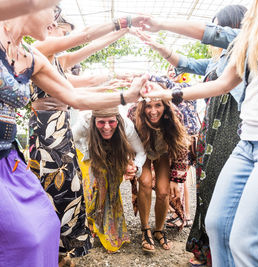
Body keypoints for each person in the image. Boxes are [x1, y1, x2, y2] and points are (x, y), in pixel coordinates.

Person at [0, 1, 147, 265]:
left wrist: (127, 96)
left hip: (2, 156)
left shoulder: (30, 56)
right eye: (53, 7)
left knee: (47, 223)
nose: (54, 18)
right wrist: (122, 24)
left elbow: (74, 97)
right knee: (23, 237)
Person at [142, 0, 258, 265]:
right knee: (218, 225)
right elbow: (222, 81)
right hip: (249, 140)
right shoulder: (252, 33)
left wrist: (162, 26)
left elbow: (213, 36)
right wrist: (166, 93)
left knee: (250, 243)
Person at [134, 5, 246, 265]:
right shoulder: (219, 60)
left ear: (235, 27)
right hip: (212, 129)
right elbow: (184, 63)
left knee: (224, 188)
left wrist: (161, 23)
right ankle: (206, 251)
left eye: (221, 27)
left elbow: (214, 80)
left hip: (233, 127)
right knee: (206, 188)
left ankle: (224, 253)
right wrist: (157, 45)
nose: (215, 34)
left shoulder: (246, 53)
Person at [28, 17, 130, 261]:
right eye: (64, 34)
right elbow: (85, 38)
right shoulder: (37, 51)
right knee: (53, 189)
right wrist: (120, 24)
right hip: (46, 132)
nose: (67, 42)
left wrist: (122, 33)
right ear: (49, 28)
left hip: (62, 130)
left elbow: (79, 82)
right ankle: (49, 247)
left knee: (69, 190)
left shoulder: (59, 62)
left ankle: (61, 251)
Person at [72, 107, 146, 252]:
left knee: (111, 191)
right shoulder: (84, 124)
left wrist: (136, 167)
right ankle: (90, 224)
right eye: (101, 122)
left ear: (117, 120)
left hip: (114, 152)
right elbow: (68, 142)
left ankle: (110, 233)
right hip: (87, 152)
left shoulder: (126, 125)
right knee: (92, 189)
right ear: (94, 121)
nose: (106, 127)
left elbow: (141, 152)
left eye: (111, 122)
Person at [128, 98, 190, 252]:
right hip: (140, 150)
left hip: (163, 151)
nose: (153, 111)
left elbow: (181, 147)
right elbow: (126, 140)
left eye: (158, 105)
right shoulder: (133, 114)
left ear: (165, 106)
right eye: (148, 106)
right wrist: (129, 162)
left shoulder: (174, 115)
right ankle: (145, 229)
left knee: (163, 191)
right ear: (142, 106)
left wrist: (176, 179)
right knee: (146, 182)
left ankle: (159, 230)